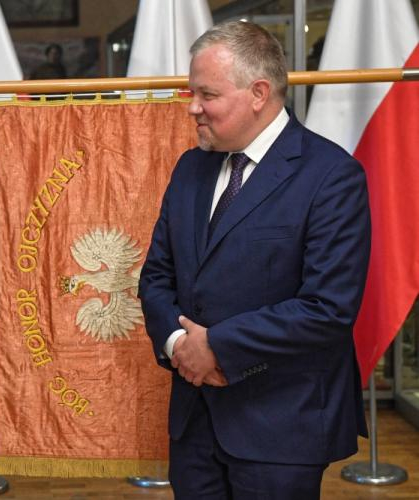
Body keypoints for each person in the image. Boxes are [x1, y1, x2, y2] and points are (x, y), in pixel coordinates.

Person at [138, 21, 369, 499]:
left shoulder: (332, 176)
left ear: (259, 92)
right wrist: (181, 343)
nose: (192, 107)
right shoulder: (190, 167)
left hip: (283, 426)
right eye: (192, 92)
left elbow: (327, 307)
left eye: (207, 94)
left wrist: (217, 347)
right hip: (195, 422)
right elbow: (157, 275)